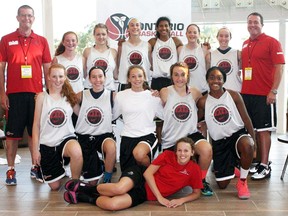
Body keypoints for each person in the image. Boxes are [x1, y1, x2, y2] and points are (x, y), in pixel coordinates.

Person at [63, 137, 203, 210]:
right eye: (179, 150)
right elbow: (148, 173)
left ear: (192, 152)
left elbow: (197, 192)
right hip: (140, 176)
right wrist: (160, 198)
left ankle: (82, 197)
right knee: (119, 189)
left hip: (145, 194)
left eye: (186, 151)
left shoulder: (194, 169)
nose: (182, 154)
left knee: (113, 205)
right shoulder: (167, 155)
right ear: (175, 150)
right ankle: (84, 187)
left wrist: (180, 200)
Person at [0, 5, 52, 185]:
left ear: (33, 18)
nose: (26, 18)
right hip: (13, 94)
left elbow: (47, 69)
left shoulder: (42, 41)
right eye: (23, 15)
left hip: (36, 95)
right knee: (12, 135)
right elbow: (1, 68)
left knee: (34, 133)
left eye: (29, 15)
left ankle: (35, 167)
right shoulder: (6, 40)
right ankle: (10, 170)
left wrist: (49, 93)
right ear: (17, 18)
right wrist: (2, 92)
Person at [197, 66, 255, 199]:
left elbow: (246, 119)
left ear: (224, 80)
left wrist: (254, 142)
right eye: (212, 78)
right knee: (222, 185)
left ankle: (242, 182)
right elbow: (197, 119)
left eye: (219, 78)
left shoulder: (234, 95)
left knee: (248, 145)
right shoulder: (203, 101)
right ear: (207, 80)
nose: (215, 81)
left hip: (237, 135)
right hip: (219, 142)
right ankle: (232, 167)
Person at [241, 12, 285, 180]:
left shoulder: (272, 42)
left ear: (262, 24)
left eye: (256, 22)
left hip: (264, 95)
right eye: (250, 22)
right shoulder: (245, 44)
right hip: (246, 94)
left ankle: (265, 166)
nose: (252, 25)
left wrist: (273, 91)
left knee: (264, 131)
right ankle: (258, 162)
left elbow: (280, 68)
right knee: (252, 130)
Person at [160, 62, 213, 196]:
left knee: (207, 150)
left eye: (183, 74)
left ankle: (201, 181)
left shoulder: (194, 92)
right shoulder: (165, 92)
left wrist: (202, 122)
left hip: (190, 135)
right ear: (171, 77)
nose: (179, 78)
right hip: (171, 138)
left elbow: (204, 107)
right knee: (170, 179)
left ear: (187, 76)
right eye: (176, 75)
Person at [31, 63, 83, 190]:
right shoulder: (41, 97)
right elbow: (36, 125)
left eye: (60, 76)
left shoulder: (70, 97)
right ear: (48, 77)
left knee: (76, 151)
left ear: (65, 77)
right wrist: (35, 150)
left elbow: (82, 116)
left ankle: (75, 184)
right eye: (54, 76)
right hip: (47, 144)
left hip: (66, 139)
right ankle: (62, 167)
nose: (57, 80)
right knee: (55, 187)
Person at [113, 65, 163, 171]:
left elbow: (164, 116)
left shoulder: (153, 96)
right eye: (133, 76)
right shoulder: (120, 96)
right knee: (128, 178)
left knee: (139, 154)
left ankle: (152, 174)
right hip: (127, 138)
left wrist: (162, 99)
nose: (137, 79)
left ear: (144, 78)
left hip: (147, 136)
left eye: (140, 76)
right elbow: (113, 115)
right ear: (128, 79)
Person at [75, 66, 116, 185]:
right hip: (85, 136)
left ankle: (107, 176)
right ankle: (97, 166)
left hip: (103, 135)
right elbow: (65, 101)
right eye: (94, 77)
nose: (97, 80)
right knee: (92, 183)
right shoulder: (82, 94)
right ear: (89, 79)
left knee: (111, 147)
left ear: (105, 78)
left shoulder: (112, 95)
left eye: (100, 76)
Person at [148, 16, 183, 145]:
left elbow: (185, 54)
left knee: (172, 115)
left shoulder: (175, 41)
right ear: (157, 28)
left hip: (171, 82)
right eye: (161, 26)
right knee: (159, 119)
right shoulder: (152, 42)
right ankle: (160, 149)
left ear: (170, 27)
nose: (164, 28)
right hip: (157, 81)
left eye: (166, 25)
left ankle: (173, 145)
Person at [117, 18, 152, 91]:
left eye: (137, 25)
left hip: (142, 82)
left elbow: (151, 65)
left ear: (140, 28)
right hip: (125, 82)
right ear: (128, 29)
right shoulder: (122, 45)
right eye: (132, 25)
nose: (135, 27)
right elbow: (118, 64)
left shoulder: (147, 45)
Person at [206, 27, 242, 92]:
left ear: (230, 37)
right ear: (217, 37)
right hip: (217, 93)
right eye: (221, 36)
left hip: (235, 91)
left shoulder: (238, 54)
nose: (223, 38)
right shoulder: (210, 56)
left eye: (226, 36)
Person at [83, 23, 117, 91]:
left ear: (107, 35)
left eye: (103, 34)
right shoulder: (87, 51)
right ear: (94, 35)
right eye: (98, 34)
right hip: (90, 90)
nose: (101, 37)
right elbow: (85, 74)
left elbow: (115, 75)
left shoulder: (113, 52)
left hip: (109, 90)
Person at [178, 24, 209, 94]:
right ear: (186, 34)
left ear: (199, 35)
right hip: (185, 91)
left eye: (195, 32)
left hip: (202, 90)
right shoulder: (180, 50)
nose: (192, 34)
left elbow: (208, 69)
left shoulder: (204, 50)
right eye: (190, 32)